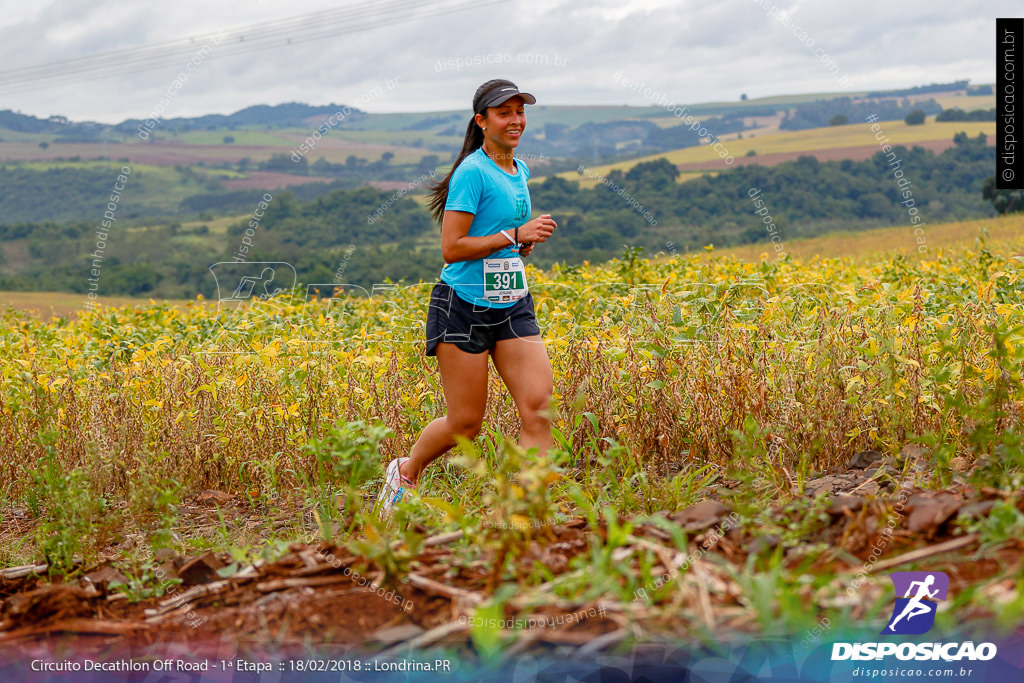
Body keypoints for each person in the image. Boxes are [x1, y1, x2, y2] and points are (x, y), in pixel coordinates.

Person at [375, 79, 558, 518]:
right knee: (465, 425)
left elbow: (494, 238)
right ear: (482, 121)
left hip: (512, 301)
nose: (516, 121)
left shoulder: (519, 169)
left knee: (539, 409)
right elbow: (453, 248)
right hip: (462, 305)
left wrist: (520, 245)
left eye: (520, 112)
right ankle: (405, 471)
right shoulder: (472, 172)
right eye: (504, 113)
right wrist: (514, 234)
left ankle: (528, 511)